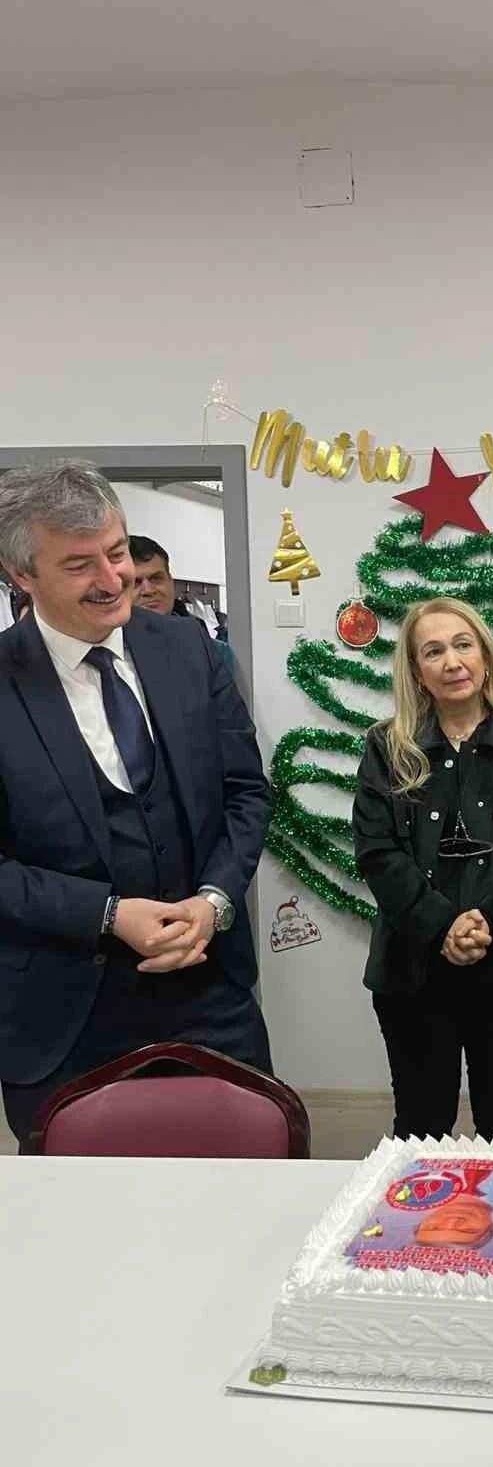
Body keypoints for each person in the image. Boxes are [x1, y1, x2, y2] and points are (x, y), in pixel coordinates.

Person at [0, 460, 273, 1149]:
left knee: (241, 1184)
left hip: (212, 990)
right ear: (21, 573)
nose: (113, 578)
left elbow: (245, 794)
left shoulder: (189, 648)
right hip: (64, 1015)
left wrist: (214, 901)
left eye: (117, 552)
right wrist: (108, 915)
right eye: (79, 565)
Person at [352, 597, 493, 1141]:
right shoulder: (387, 747)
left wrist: (489, 922)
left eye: (463, 645)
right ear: (416, 671)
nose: (452, 662)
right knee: (420, 1124)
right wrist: (442, 927)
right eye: (433, 651)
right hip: (411, 973)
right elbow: (377, 851)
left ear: (485, 655)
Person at [128, 534, 233, 668]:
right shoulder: (113, 656)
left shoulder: (213, 652)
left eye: (156, 578)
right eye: (135, 582)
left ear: (171, 582)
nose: (148, 590)